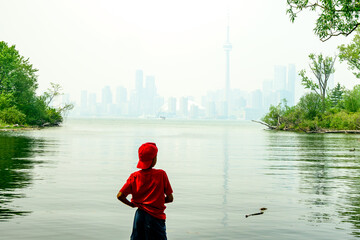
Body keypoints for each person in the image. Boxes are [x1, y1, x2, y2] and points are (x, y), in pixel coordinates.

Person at [117, 142, 174, 240]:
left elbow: (120, 196)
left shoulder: (134, 176)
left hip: (140, 217)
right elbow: (170, 198)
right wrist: (156, 200)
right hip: (156, 218)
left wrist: (132, 204)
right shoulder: (161, 174)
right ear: (153, 159)